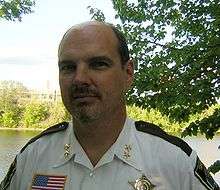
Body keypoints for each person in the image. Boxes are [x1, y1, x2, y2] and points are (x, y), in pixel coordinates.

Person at [0, 21, 219, 190]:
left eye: (98, 64)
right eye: (68, 67)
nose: (80, 79)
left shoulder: (174, 161)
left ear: (128, 72)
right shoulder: (32, 157)